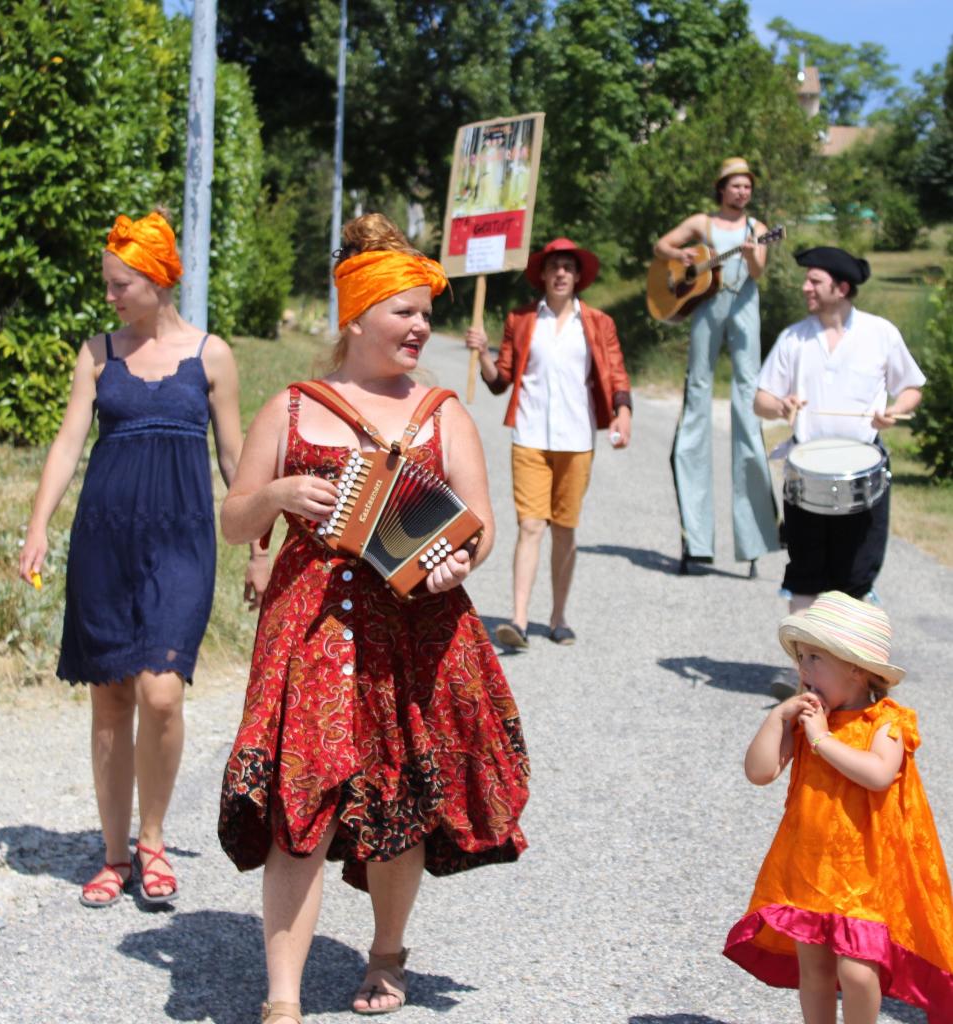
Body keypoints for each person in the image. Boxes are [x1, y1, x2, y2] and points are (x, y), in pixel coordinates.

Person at [217, 213, 529, 1024]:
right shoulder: (290, 409)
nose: (421, 325)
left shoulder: (442, 411)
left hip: (418, 633)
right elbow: (234, 519)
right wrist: (279, 497)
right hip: (309, 632)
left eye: (426, 312)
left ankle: (387, 952)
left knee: (401, 803)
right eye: (405, 311)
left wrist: (464, 559)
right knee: (300, 805)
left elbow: (482, 525)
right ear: (356, 317)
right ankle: (281, 998)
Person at [18, 209, 267, 908]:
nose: (111, 296)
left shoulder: (210, 354)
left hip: (182, 539)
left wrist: (258, 547)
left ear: (159, 280)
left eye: (122, 284)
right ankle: (114, 853)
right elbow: (69, 443)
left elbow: (232, 457)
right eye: (108, 284)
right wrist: (38, 526)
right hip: (105, 540)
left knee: (161, 693)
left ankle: (153, 839)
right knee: (111, 699)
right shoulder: (96, 353)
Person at [724, 591, 953, 1021]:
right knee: (814, 969)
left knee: (859, 972)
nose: (803, 669)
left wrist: (823, 740)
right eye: (802, 657)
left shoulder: (886, 722)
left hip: (866, 877)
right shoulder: (809, 720)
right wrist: (778, 719)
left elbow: (878, 773)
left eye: (815, 659)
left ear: (857, 670)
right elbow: (759, 772)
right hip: (810, 869)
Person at [465, 236, 632, 648]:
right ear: (542, 274)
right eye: (553, 266)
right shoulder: (521, 320)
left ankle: (558, 617)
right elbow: (499, 381)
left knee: (564, 530)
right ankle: (518, 620)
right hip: (530, 436)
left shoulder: (597, 323)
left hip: (577, 439)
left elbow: (617, 374)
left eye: (568, 268)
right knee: (530, 525)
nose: (560, 273)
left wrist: (623, 413)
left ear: (578, 277)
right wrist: (483, 353)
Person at [754, 246, 924, 616]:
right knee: (804, 572)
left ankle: (846, 668)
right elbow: (761, 400)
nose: (805, 287)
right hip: (806, 469)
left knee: (855, 574)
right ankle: (803, 670)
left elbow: (911, 387)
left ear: (841, 288)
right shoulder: (793, 338)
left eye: (815, 281)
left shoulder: (880, 333)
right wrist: (781, 406)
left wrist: (895, 410)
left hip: (864, 471)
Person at [654, 156, 779, 576]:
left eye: (747, 187)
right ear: (721, 188)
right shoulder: (702, 222)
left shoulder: (757, 229)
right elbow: (662, 247)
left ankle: (754, 536)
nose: (742, 192)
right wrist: (683, 254)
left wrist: (753, 252)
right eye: (735, 185)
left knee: (747, 402)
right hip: (707, 306)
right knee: (697, 400)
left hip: (744, 307)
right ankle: (697, 539)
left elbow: (758, 271)